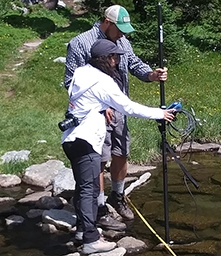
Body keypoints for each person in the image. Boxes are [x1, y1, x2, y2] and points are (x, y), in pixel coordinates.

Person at [61, 39, 175, 254]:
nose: (117, 61)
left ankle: (82, 231)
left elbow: (88, 101)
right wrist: (160, 113)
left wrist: (102, 108)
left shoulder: (82, 73)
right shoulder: (102, 82)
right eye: (115, 57)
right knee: (89, 190)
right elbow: (128, 107)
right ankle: (91, 240)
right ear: (106, 59)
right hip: (86, 140)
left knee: (85, 186)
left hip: (71, 139)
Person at [63, 4, 168, 226]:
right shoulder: (80, 43)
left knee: (121, 152)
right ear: (107, 22)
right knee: (99, 159)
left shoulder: (123, 42)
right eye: (119, 29)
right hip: (95, 115)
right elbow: (70, 82)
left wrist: (151, 75)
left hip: (119, 109)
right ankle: (100, 208)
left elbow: (135, 65)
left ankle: (117, 196)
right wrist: (103, 104)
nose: (122, 34)